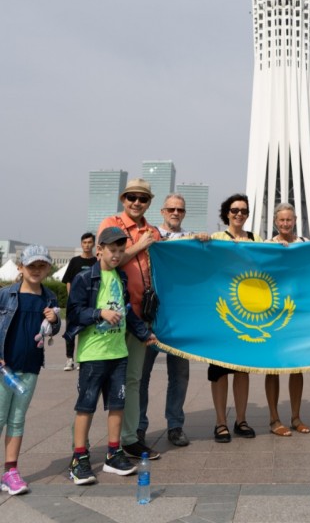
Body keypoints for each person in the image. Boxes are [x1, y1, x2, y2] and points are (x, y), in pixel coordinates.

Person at [65, 227, 156, 485]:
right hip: (93, 354)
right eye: (112, 250)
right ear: (99, 250)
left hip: (119, 353)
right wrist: (99, 313)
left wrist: (144, 334)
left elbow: (127, 312)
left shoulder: (120, 277)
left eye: (120, 250)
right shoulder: (85, 278)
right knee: (86, 406)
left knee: (117, 404)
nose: (116, 255)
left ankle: (113, 454)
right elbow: (74, 313)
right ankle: (79, 458)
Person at [138, 194, 209, 448]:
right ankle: (138, 427)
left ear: (184, 213)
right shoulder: (149, 235)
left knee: (179, 375)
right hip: (150, 317)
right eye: (171, 209)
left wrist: (204, 242)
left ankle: (175, 425)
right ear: (162, 211)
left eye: (180, 209)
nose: (175, 213)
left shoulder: (190, 239)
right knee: (141, 376)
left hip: (179, 319)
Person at [97, 178, 161, 460]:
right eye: (132, 197)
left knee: (133, 379)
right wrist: (139, 246)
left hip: (141, 316)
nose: (137, 202)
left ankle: (130, 438)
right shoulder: (111, 224)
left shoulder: (153, 231)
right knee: (99, 378)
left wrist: (201, 239)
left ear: (149, 203)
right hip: (111, 315)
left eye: (143, 198)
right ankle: (85, 443)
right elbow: (108, 260)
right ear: (123, 199)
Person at [0, 245, 61, 495]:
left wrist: (55, 321)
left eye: (41, 266)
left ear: (47, 268)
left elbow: (51, 330)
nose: (36, 270)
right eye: (31, 265)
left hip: (30, 367)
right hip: (4, 368)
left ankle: (10, 472)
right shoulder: (6, 295)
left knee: (17, 419)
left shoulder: (49, 298)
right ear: (20, 267)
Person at [209, 194, 261, 443]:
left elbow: (269, 262)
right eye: (234, 210)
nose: (239, 214)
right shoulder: (217, 238)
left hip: (247, 312)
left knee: (242, 368)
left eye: (244, 211)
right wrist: (200, 241)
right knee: (219, 369)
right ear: (226, 213)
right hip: (222, 313)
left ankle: (241, 419)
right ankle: (220, 422)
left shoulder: (256, 239)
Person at [264, 203, 310, 436]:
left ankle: (295, 417)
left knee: (296, 366)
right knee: (273, 367)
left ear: (295, 221)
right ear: (275, 222)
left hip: (297, 311)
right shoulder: (267, 245)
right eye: (281, 220)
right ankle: (274, 419)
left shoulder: (304, 243)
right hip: (273, 312)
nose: (285, 224)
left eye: (288, 220)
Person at [62, 233, 97, 371]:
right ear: (81, 244)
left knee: (87, 331)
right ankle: (69, 359)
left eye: (89, 242)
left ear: (94, 244)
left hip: (90, 304)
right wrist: (71, 298)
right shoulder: (75, 261)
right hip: (75, 303)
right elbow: (68, 281)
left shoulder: (97, 261)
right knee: (71, 330)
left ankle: (83, 359)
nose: (87, 245)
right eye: (84, 242)